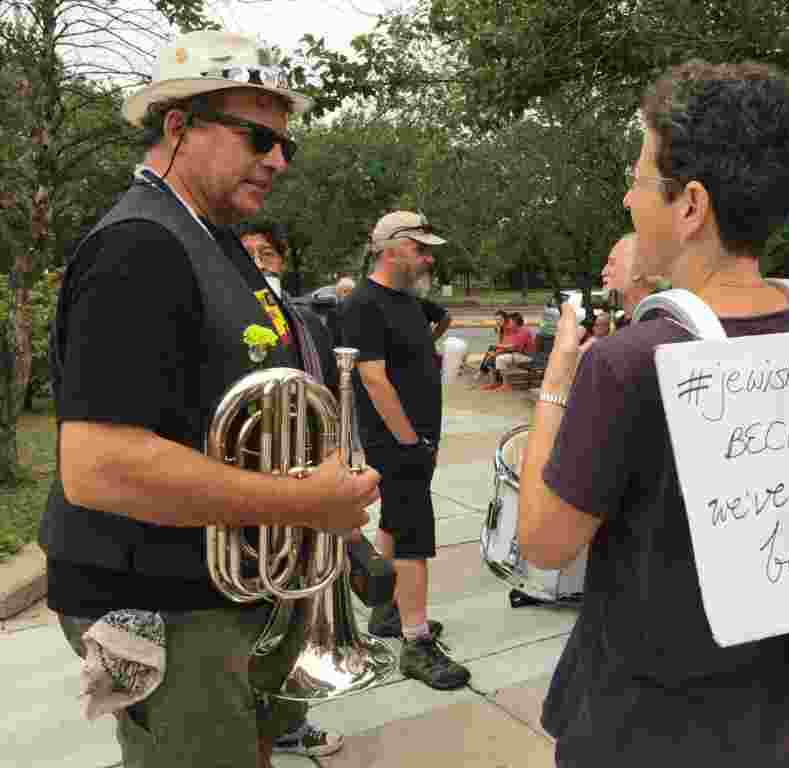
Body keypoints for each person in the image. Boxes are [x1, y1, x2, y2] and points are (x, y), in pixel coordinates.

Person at [516, 60, 789, 767]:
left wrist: (556, 387)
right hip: (785, 721)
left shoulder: (629, 361)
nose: (630, 199)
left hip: (638, 731)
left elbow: (542, 544)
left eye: (638, 179)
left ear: (690, 205)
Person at [39, 30, 381, 767]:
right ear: (178, 124)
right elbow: (98, 467)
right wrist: (303, 505)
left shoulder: (216, 240)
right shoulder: (138, 247)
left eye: (287, 143)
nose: (279, 159)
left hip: (230, 592)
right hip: (162, 602)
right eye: (258, 136)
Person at [340, 210, 471, 690]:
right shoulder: (363, 304)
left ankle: (386, 613)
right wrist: (410, 442)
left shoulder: (407, 301)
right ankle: (416, 644)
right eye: (420, 247)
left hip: (414, 439)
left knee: (397, 522)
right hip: (398, 441)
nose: (428, 255)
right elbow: (372, 378)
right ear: (390, 247)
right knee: (415, 536)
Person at [600, 233, 655, 329]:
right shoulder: (622, 324)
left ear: (637, 270)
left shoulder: (654, 326)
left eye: (612, 263)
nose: (603, 272)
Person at [482, 311, 534, 390]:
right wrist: (495, 352)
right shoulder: (514, 330)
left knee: (500, 358)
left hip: (526, 356)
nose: (508, 323)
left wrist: (497, 349)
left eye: (510, 321)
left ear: (515, 322)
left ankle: (506, 384)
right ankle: (493, 383)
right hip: (517, 353)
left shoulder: (524, 331)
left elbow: (512, 348)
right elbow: (507, 345)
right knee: (491, 357)